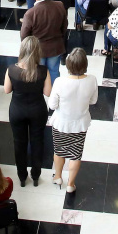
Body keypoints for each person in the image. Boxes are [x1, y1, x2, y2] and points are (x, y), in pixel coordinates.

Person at [48, 48, 98, 194]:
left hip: (61, 123)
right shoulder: (92, 80)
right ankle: (71, 184)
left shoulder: (59, 81)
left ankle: (58, 176)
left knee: (59, 151)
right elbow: (93, 101)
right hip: (80, 124)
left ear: (68, 65)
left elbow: (52, 105)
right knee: (76, 154)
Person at [5, 36, 51, 187]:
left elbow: (6, 90)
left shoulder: (11, 69)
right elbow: (48, 92)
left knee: (19, 143)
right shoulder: (43, 71)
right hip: (38, 110)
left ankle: (22, 176)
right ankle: (36, 175)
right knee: (37, 142)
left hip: (17, 110)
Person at [20, 0, 68, 83]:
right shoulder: (59, 5)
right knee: (54, 71)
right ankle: (54, 93)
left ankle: (41, 92)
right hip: (56, 47)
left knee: (38, 73)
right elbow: (64, 27)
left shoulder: (30, 13)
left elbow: (24, 35)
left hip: (37, 50)